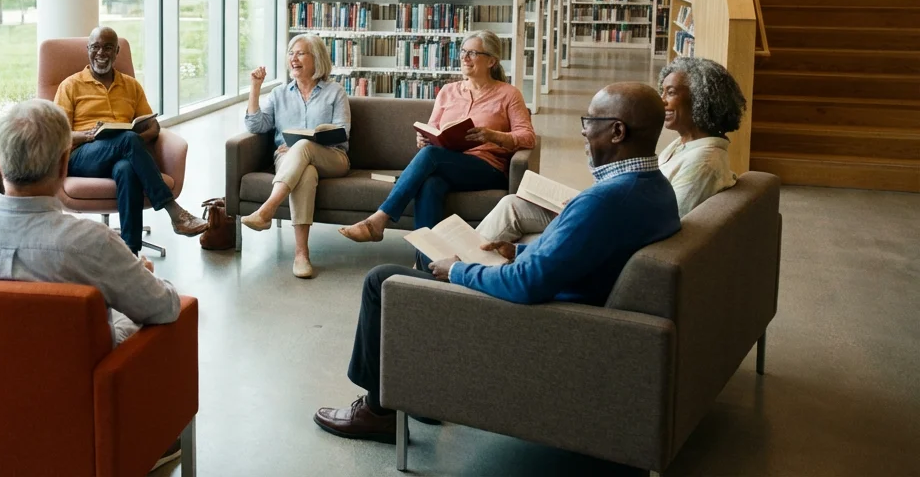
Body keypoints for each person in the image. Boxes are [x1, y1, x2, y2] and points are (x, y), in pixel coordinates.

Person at [313, 83, 681, 443]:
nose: (583, 131)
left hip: (535, 317)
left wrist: (458, 270)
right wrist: (518, 252)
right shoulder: (656, 189)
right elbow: (582, 256)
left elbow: (526, 285)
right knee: (432, 206)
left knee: (381, 280)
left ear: (617, 131)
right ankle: (414, 392)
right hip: (566, 299)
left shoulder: (604, 200)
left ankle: (376, 413)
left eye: (590, 120)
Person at [0, 98, 186, 472]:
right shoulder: (92, 243)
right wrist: (140, 275)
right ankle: (146, 437)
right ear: (65, 163)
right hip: (74, 401)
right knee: (144, 315)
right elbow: (166, 307)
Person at [474, 56, 745, 242]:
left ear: (701, 100)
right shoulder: (684, 144)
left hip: (611, 223)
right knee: (512, 204)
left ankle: (455, 270)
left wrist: (592, 208)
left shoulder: (703, 162)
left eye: (671, 93)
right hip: (612, 210)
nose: (661, 102)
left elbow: (668, 224)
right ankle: (458, 257)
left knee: (512, 211)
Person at [340, 30, 536, 248]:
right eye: (463, 51)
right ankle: (428, 262)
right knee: (431, 183)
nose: (464, 57)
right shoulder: (448, 91)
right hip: (448, 163)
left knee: (431, 155)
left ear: (491, 61)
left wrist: (493, 136)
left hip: (487, 169)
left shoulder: (509, 94)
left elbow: (527, 138)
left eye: (472, 53)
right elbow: (432, 128)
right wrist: (425, 138)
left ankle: (380, 219)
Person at [54, 26, 206, 253]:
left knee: (127, 168)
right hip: (83, 156)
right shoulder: (71, 85)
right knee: (127, 140)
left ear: (117, 52)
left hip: (122, 153)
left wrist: (136, 138)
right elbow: (57, 132)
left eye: (107, 48)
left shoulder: (131, 85)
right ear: (88, 50)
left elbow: (152, 126)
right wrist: (89, 135)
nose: (100, 53)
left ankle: (131, 253)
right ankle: (173, 211)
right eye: (95, 47)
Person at [241, 33, 352, 279]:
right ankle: (301, 254)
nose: (294, 58)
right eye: (291, 53)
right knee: (306, 172)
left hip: (332, 158)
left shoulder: (335, 91)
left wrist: (304, 143)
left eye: (301, 53)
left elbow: (342, 134)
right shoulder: (279, 93)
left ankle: (267, 210)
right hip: (289, 160)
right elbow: (256, 126)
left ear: (317, 59)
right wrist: (255, 88)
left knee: (301, 147)